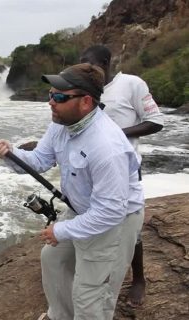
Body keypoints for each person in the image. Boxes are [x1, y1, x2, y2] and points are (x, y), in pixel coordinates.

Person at [0, 63, 144, 320]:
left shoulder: (107, 146)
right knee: (53, 259)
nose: (51, 102)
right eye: (50, 95)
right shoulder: (61, 124)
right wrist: (11, 153)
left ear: (85, 102)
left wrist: (60, 229)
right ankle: (60, 316)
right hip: (83, 209)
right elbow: (39, 160)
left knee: (91, 294)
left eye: (59, 97)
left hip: (115, 221)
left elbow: (110, 212)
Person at [80, 44, 164, 307]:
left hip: (124, 169)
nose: (87, 71)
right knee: (93, 220)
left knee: (130, 226)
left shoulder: (132, 84)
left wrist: (117, 134)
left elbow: (156, 121)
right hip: (92, 170)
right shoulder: (86, 89)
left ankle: (138, 279)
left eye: (91, 66)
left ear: (106, 63)